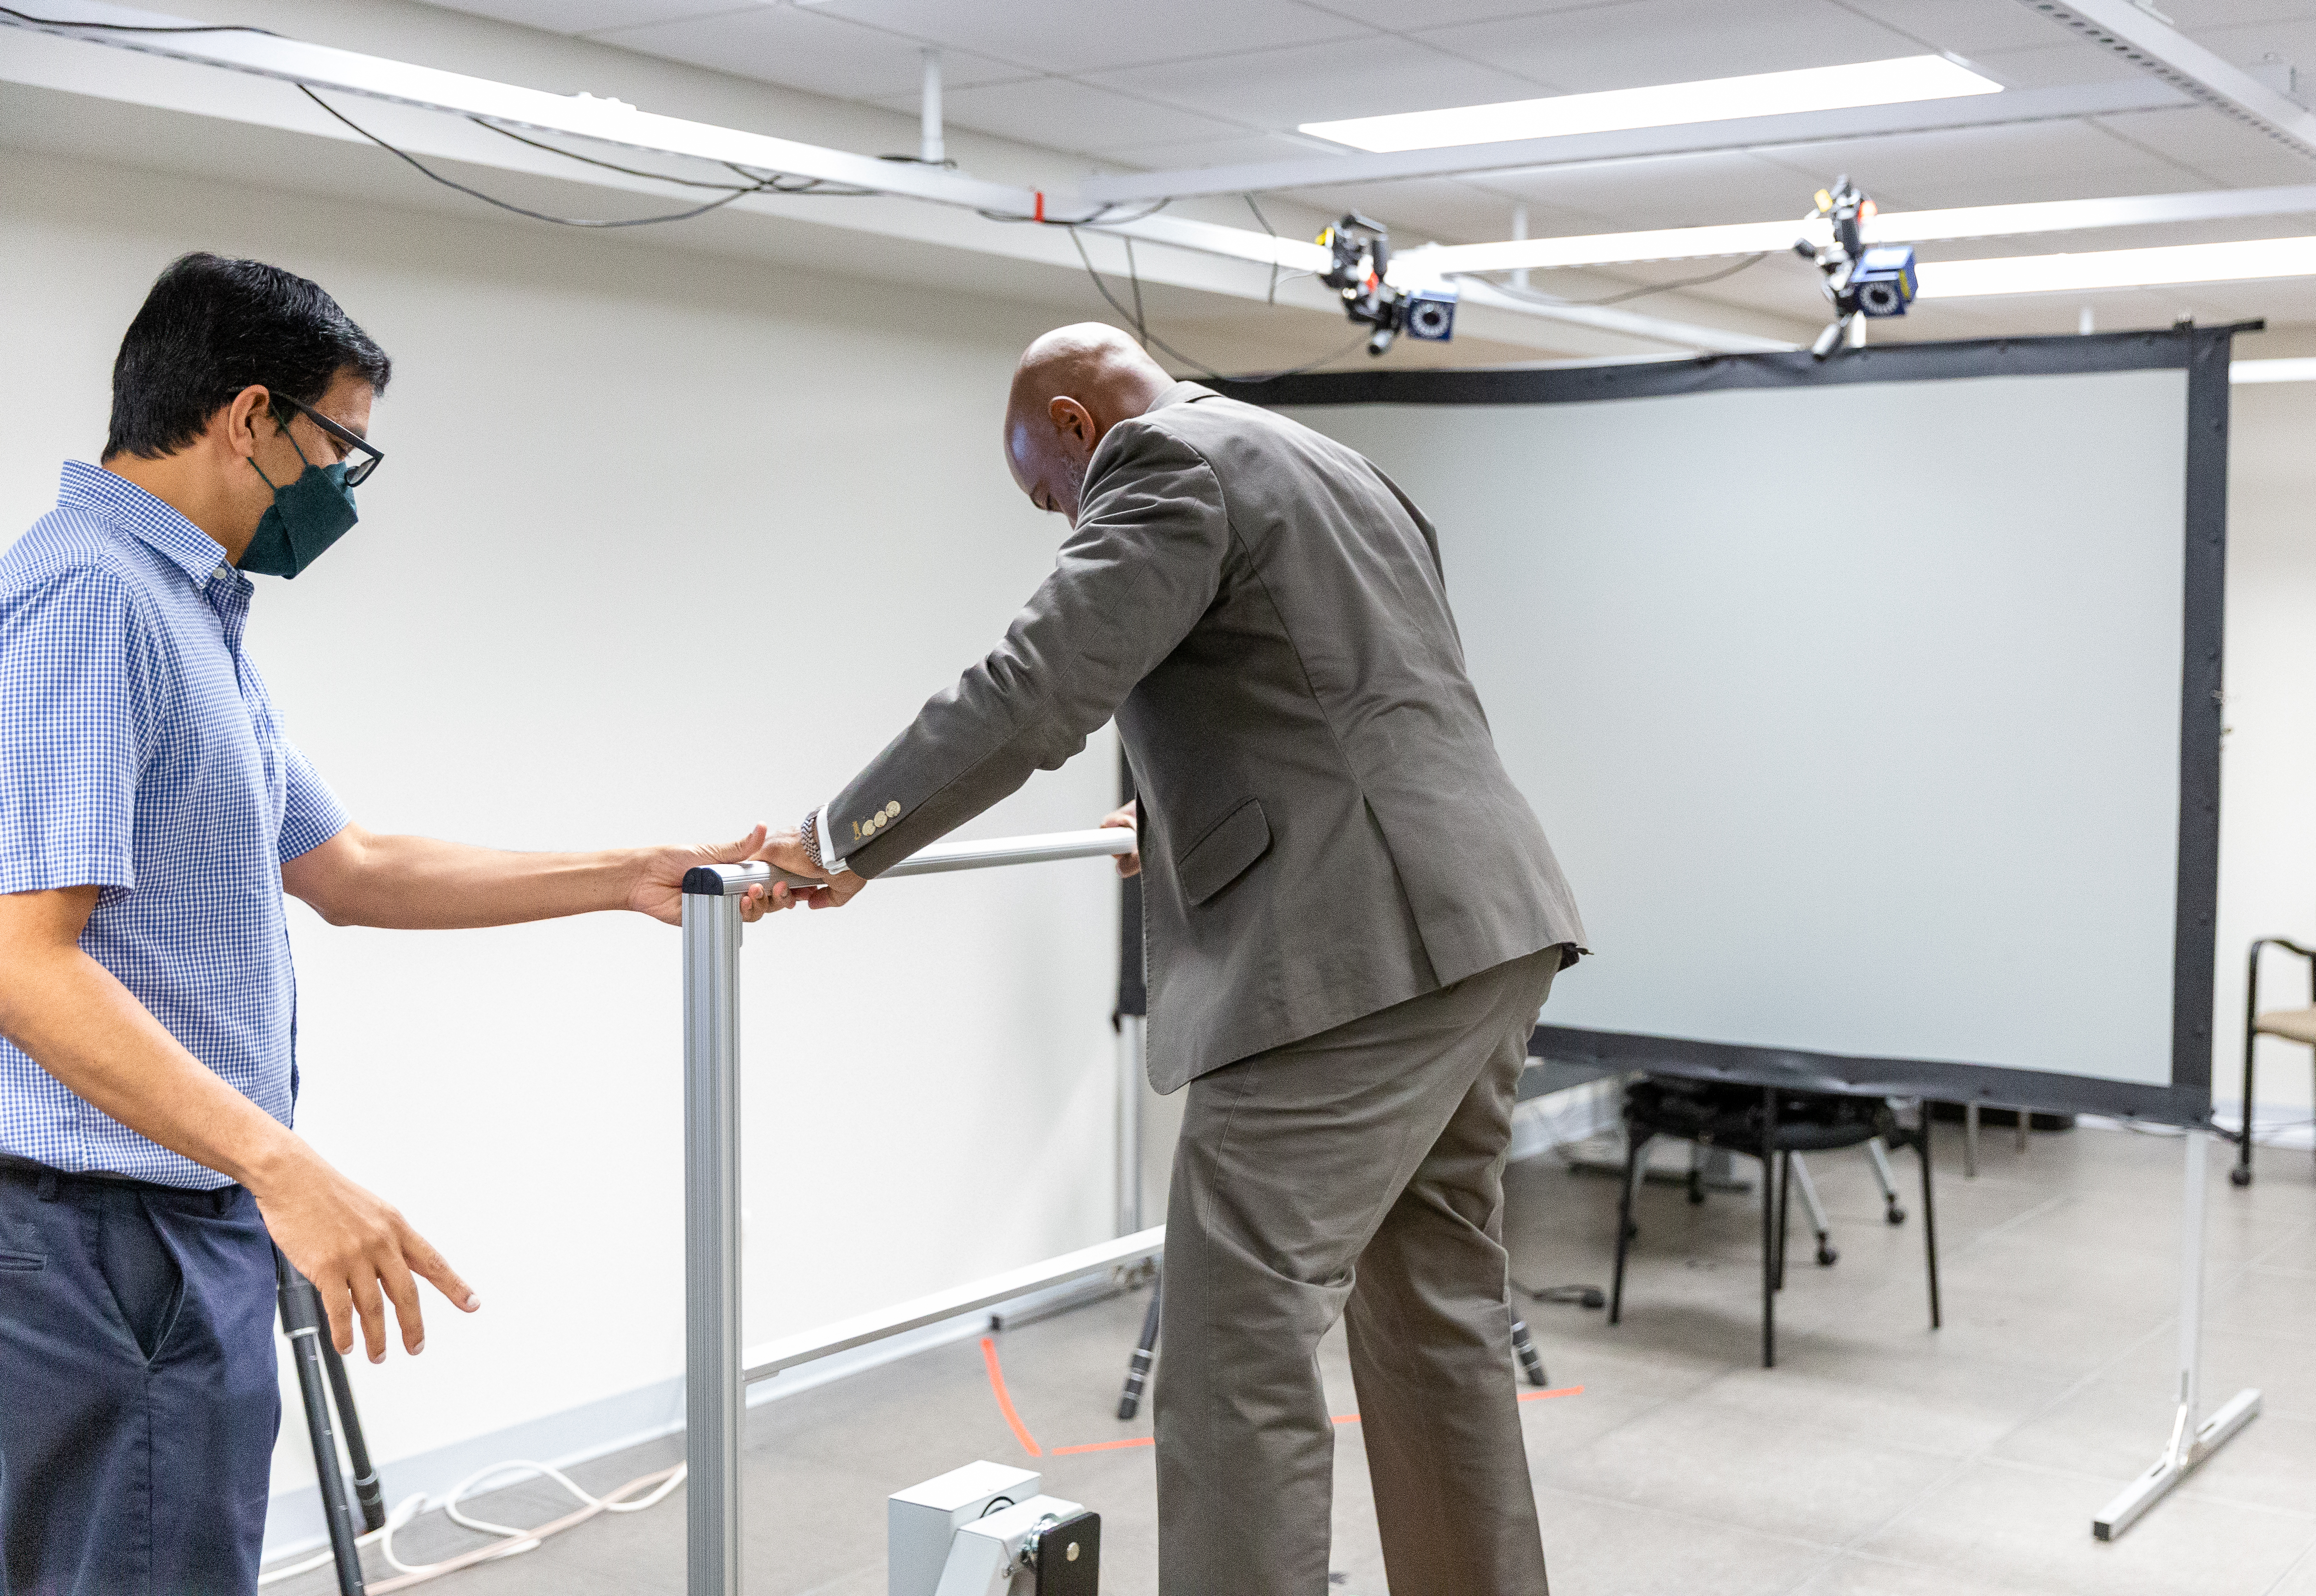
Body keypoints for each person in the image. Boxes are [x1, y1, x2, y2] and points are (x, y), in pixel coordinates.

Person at [0, 253, 794, 1595]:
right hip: (107, 1239)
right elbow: (21, 958)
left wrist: (626, 873)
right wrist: (285, 1168)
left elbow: (350, 866)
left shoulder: (188, 608)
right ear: (250, 417)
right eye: (338, 447)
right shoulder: (93, 597)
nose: (340, 487)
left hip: (170, 1223)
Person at [758, 323, 1586, 1595]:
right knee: (1436, 1318)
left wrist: (837, 839)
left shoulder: (1161, 463)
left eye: (1051, 497)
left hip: (1353, 961)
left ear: (1076, 428)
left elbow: (1035, 688)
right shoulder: (1330, 461)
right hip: (1484, 921)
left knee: (1233, 1346)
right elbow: (1327, 685)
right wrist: (1167, 811)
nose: (1063, 521)